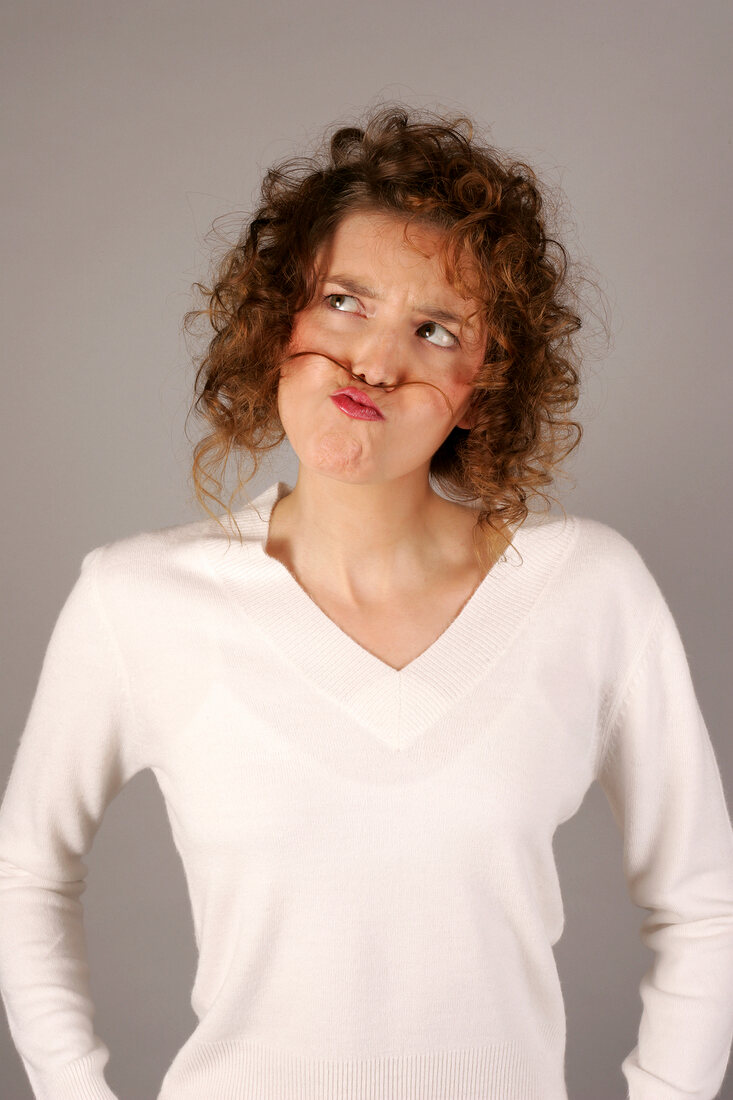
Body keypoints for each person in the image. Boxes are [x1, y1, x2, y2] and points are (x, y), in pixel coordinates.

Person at [1, 104, 732, 1100]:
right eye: (345, 301)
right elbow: (24, 872)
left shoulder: (589, 590)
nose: (375, 362)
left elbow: (704, 902)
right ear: (279, 319)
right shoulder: (134, 600)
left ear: (484, 383)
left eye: (434, 330)